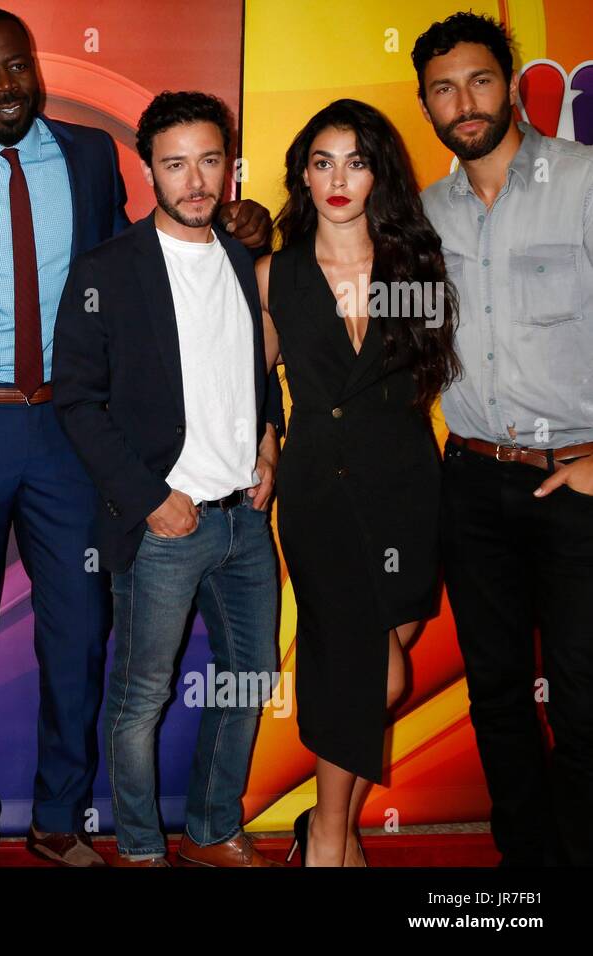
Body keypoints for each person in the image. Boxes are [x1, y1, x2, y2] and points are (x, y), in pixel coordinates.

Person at [0, 5, 272, 868]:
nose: (5, 85)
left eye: (16, 66)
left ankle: (60, 821)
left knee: (78, 638)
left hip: (70, 433)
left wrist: (236, 232)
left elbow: (135, 270)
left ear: (35, 68)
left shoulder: (90, 157)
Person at [55, 91, 283, 868]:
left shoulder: (241, 258)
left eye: (209, 160)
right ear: (148, 168)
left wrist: (271, 435)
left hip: (245, 521)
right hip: (165, 525)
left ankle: (213, 829)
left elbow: (256, 369)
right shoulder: (106, 270)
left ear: (229, 165)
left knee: (249, 683)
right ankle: (145, 851)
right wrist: (153, 501)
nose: (195, 180)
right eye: (176, 162)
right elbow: (77, 401)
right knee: (140, 701)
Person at [256, 99, 461, 867]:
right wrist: (267, 442)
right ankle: (332, 840)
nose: (338, 179)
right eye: (321, 161)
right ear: (302, 175)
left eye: (356, 160)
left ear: (379, 172)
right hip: (318, 492)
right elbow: (250, 380)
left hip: (406, 488)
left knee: (363, 669)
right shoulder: (276, 274)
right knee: (374, 671)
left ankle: (320, 825)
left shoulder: (417, 265)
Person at [414, 12, 593, 866]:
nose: (465, 101)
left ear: (513, 84)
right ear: (425, 105)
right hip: (474, 483)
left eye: (479, 80)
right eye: (443, 88)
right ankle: (529, 868)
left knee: (587, 700)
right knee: (495, 697)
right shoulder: (423, 215)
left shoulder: (585, 181)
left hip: (578, 483)